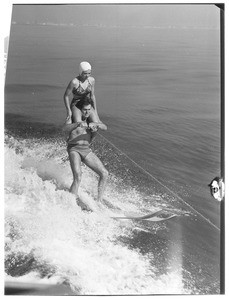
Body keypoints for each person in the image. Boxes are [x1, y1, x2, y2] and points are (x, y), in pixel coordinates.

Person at [63, 97, 108, 210]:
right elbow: (64, 128)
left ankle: (99, 201)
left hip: (86, 150)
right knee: (78, 176)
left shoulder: (91, 119)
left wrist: (96, 125)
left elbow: (105, 127)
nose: (87, 112)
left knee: (104, 173)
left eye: (89, 109)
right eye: (85, 110)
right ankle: (71, 204)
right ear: (80, 109)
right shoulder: (73, 117)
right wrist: (77, 125)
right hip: (74, 149)